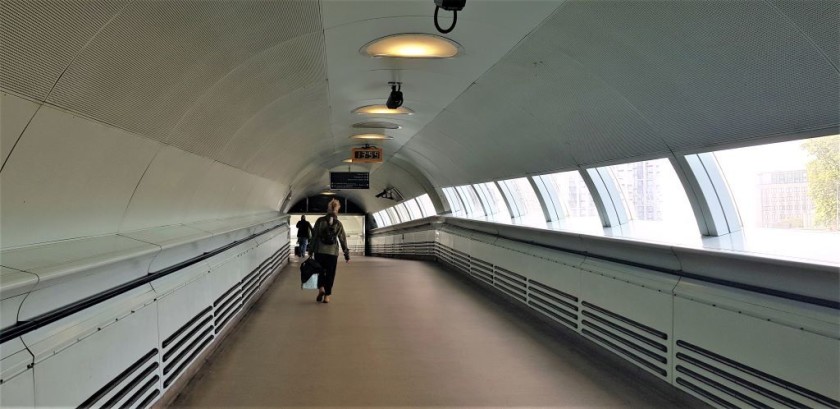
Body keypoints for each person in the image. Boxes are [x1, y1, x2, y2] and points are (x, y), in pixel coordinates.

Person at [307, 199, 350, 304]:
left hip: (320, 251)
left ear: (328, 208)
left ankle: (321, 288)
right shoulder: (338, 224)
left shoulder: (320, 221)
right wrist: (346, 254)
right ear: (337, 209)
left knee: (319, 271)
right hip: (332, 253)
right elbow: (342, 239)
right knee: (330, 273)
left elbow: (314, 236)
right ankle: (327, 296)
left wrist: (311, 250)